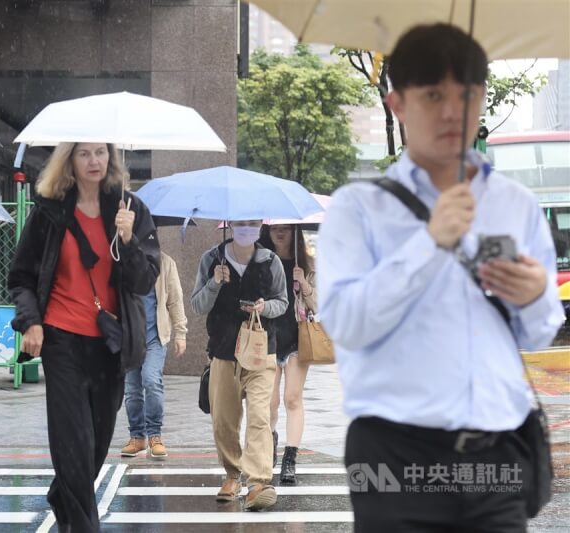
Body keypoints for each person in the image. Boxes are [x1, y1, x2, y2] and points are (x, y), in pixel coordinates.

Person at [317, 24, 566, 532]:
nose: (453, 111)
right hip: (392, 453)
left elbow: (537, 333)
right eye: (433, 94)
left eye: (468, 93)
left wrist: (537, 294)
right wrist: (430, 242)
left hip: (497, 451)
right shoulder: (358, 208)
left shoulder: (515, 204)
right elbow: (345, 323)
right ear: (397, 104)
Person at [8, 142, 160, 532]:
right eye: (84, 153)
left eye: (100, 152)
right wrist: (31, 322)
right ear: (70, 161)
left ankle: (63, 496)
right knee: (72, 441)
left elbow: (143, 282)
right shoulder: (49, 210)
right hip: (61, 340)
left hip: (109, 343)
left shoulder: (130, 210)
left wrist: (128, 242)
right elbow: (22, 276)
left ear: (111, 158)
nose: (94, 161)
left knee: (93, 447)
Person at [190, 220, 288, 511]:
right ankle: (232, 475)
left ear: (260, 226)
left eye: (253, 223)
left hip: (261, 351)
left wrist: (264, 307)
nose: (247, 228)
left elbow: (281, 301)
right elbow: (197, 305)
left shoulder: (270, 261)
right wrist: (215, 282)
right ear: (230, 225)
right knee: (224, 421)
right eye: (242, 223)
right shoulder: (211, 259)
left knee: (259, 415)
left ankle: (258, 481)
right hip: (222, 351)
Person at [258, 223, 316, 484]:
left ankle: (289, 459)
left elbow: (318, 303)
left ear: (295, 232)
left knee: (292, 398)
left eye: (286, 229)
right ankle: (269, 444)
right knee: (269, 402)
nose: (280, 233)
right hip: (268, 338)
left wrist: (303, 282)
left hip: (296, 339)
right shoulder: (261, 260)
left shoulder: (307, 263)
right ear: (267, 233)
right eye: (274, 229)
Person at [121, 249, 188, 459]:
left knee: (150, 379)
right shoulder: (122, 259)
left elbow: (175, 299)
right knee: (132, 389)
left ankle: (155, 434)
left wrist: (180, 332)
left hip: (155, 337)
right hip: (129, 337)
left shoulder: (165, 262)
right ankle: (137, 436)